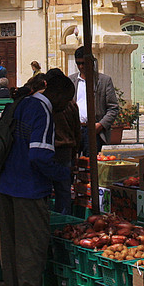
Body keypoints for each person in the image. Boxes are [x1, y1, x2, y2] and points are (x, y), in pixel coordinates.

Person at [0, 69, 73, 286]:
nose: (64, 108)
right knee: (31, 249)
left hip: (7, 185)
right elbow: (38, 155)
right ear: (56, 94)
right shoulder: (43, 110)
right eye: (65, 101)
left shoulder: (21, 104)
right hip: (29, 189)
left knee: (12, 247)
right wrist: (63, 174)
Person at [68, 47, 119, 154]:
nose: (81, 67)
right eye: (78, 64)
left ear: (91, 62)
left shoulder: (104, 81)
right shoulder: (71, 81)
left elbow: (113, 108)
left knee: (90, 165)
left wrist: (100, 125)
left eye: (83, 63)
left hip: (93, 130)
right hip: (75, 130)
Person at [52, 73, 81, 216]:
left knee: (51, 190)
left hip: (55, 150)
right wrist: (75, 152)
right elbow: (77, 131)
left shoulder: (51, 104)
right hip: (66, 150)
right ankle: (64, 219)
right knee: (63, 190)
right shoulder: (71, 105)